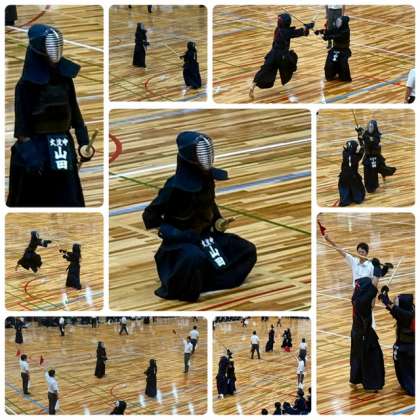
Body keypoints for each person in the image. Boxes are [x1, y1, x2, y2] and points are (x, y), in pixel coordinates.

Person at [142, 132, 257, 302]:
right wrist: (174, 234)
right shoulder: (174, 187)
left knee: (247, 250)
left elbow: (209, 203)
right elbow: (150, 215)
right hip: (180, 244)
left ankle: (206, 282)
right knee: (194, 257)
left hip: (206, 238)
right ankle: (184, 285)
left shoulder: (208, 179)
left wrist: (218, 221)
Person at [7, 24, 95, 207]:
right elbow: (22, 130)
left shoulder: (65, 79)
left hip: (62, 147)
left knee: (68, 200)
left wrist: (83, 142)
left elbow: (75, 113)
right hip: (37, 150)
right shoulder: (25, 86)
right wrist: (31, 158)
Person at [249, 13, 314, 98]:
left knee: (265, 70)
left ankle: (253, 85)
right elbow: (299, 32)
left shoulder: (278, 29)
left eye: (279, 20)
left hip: (272, 54)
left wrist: (307, 27)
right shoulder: (286, 32)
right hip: (282, 56)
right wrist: (308, 26)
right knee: (292, 59)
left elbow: (298, 31)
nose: (278, 21)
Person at [350, 276, 385, 391]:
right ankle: (371, 384)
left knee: (357, 357)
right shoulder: (362, 302)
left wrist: (379, 275)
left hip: (357, 332)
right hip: (364, 334)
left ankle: (354, 380)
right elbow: (372, 294)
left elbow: (372, 303)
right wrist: (377, 275)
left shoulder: (357, 298)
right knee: (372, 357)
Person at [378, 287, 415, 396]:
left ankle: (413, 389)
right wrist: (385, 295)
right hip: (411, 346)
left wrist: (384, 298)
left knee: (405, 370)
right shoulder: (412, 309)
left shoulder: (406, 315)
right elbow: (393, 309)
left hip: (406, 348)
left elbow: (393, 308)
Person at [356, 120, 396, 193]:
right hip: (368, 157)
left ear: (375, 128)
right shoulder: (366, 134)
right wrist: (359, 134)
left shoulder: (377, 136)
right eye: (369, 127)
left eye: (371, 127)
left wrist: (362, 134)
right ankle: (369, 186)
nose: (370, 128)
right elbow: (362, 144)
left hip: (375, 157)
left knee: (379, 169)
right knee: (367, 172)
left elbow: (370, 141)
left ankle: (378, 180)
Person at [315, 16, 352, 82]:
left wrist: (326, 37)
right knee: (329, 64)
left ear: (343, 23)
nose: (337, 23)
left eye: (339, 22)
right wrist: (320, 31)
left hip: (343, 51)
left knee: (343, 65)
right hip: (335, 49)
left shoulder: (345, 31)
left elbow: (336, 36)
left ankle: (344, 77)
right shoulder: (337, 28)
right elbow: (329, 31)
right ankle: (330, 75)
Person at [338, 140, 365, 206]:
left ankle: (345, 201)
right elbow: (361, 152)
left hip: (344, 175)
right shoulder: (356, 157)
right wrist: (362, 143)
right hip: (353, 176)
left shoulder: (344, 153)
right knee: (356, 187)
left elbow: (347, 150)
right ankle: (357, 199)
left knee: (344, 187)